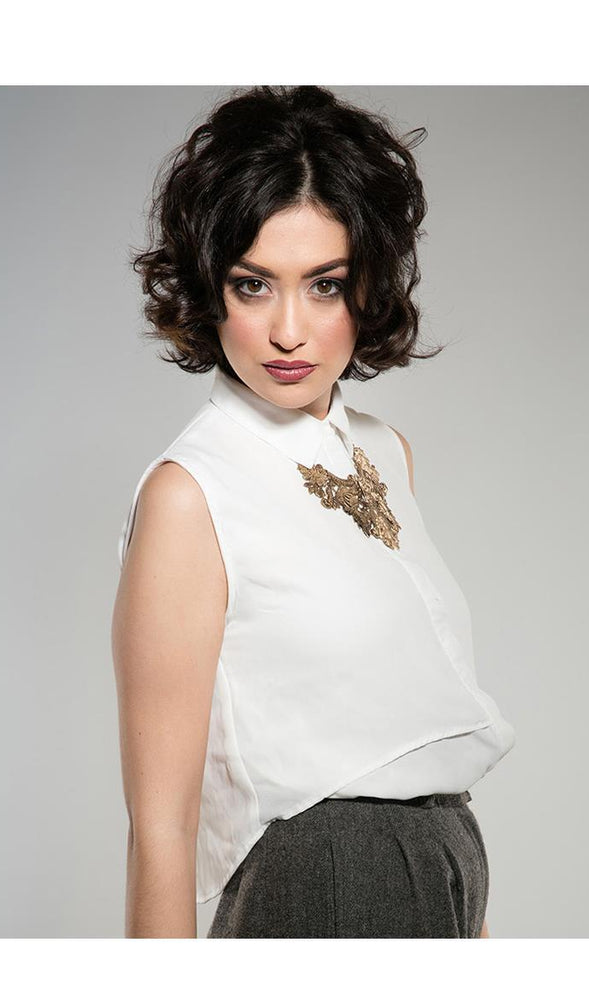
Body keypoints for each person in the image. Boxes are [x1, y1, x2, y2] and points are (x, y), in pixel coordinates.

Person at [111, 85, 516, 939]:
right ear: (209, 288)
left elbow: (416, 732)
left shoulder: (386, 452)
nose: (288, 331)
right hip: (324, 886)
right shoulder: (191, 493)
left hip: (447, 866)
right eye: (253, 284)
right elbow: (162, 827)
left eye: (324, 285)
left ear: (366, 287)